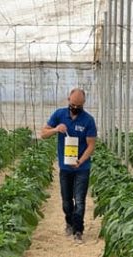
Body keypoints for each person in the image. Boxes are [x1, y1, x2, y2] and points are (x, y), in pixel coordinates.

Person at [40, 88, 97, 243]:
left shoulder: (88, 120)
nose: (75, 107)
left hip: (82, 168)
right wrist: (56, 129)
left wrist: (81, 161)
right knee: (66, 200)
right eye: (73, 104)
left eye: (79, 105)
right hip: (65, 167)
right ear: (68, 100)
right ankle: (69, 223)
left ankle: (78, 230)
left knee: (79, 200)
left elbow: (91, 145)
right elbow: (43, 134)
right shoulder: (59, 114)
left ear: (83, 103)